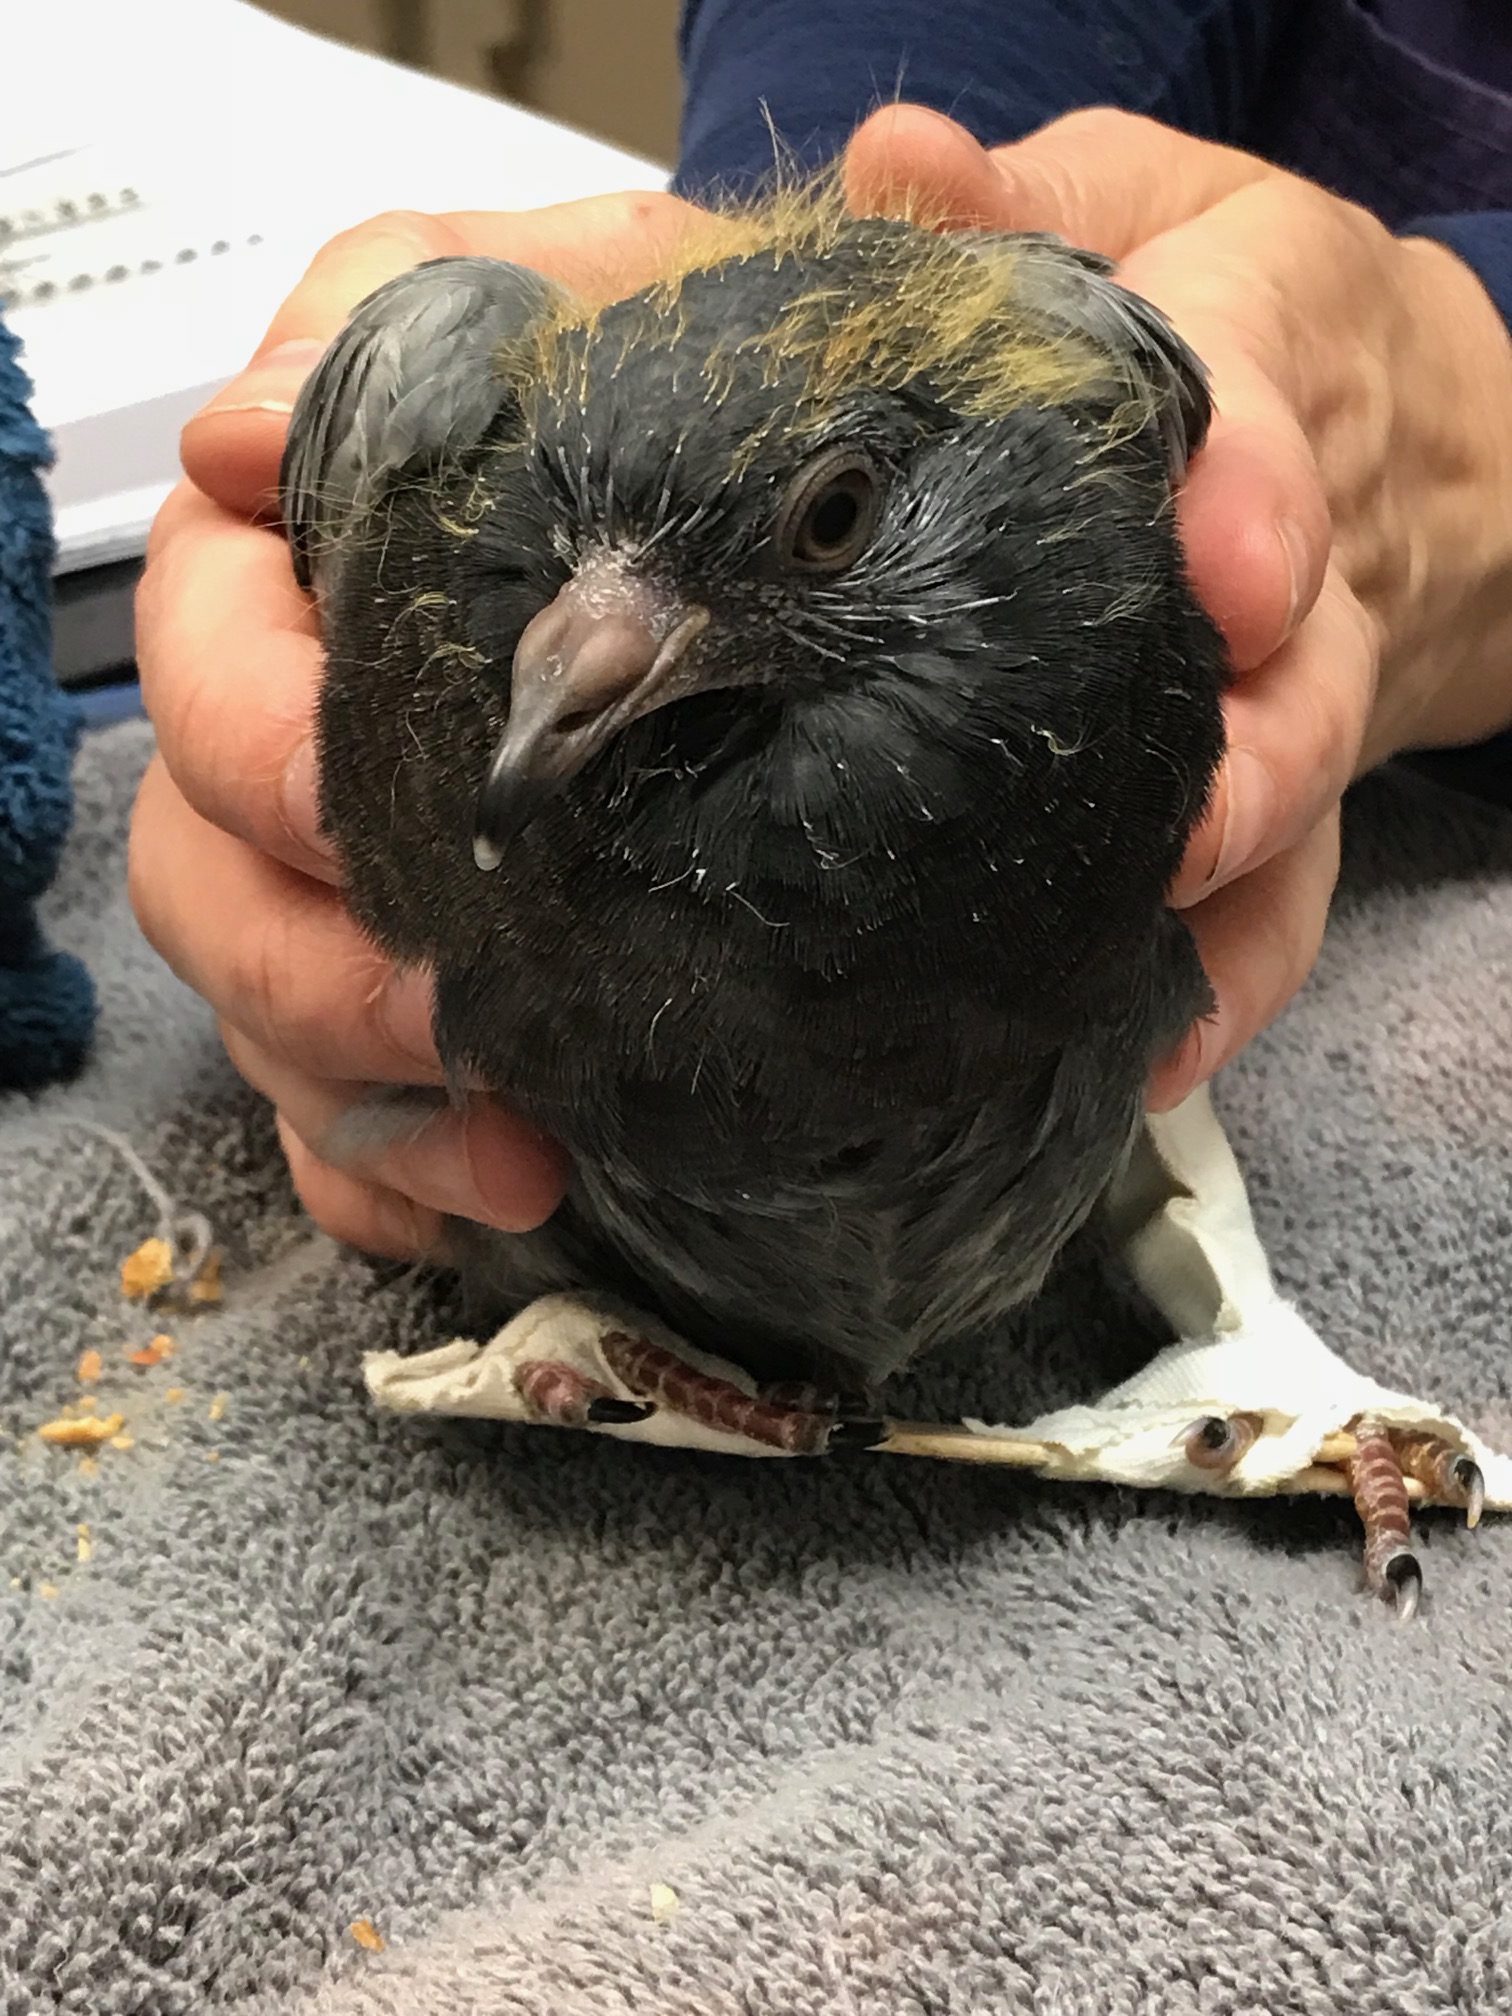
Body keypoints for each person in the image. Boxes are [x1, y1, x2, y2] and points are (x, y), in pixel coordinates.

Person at [130, 0, 1512, 1266]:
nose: (577, 651)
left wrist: (1473, 374)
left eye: (834, 523)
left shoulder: (1067, 439)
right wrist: (807, 238)